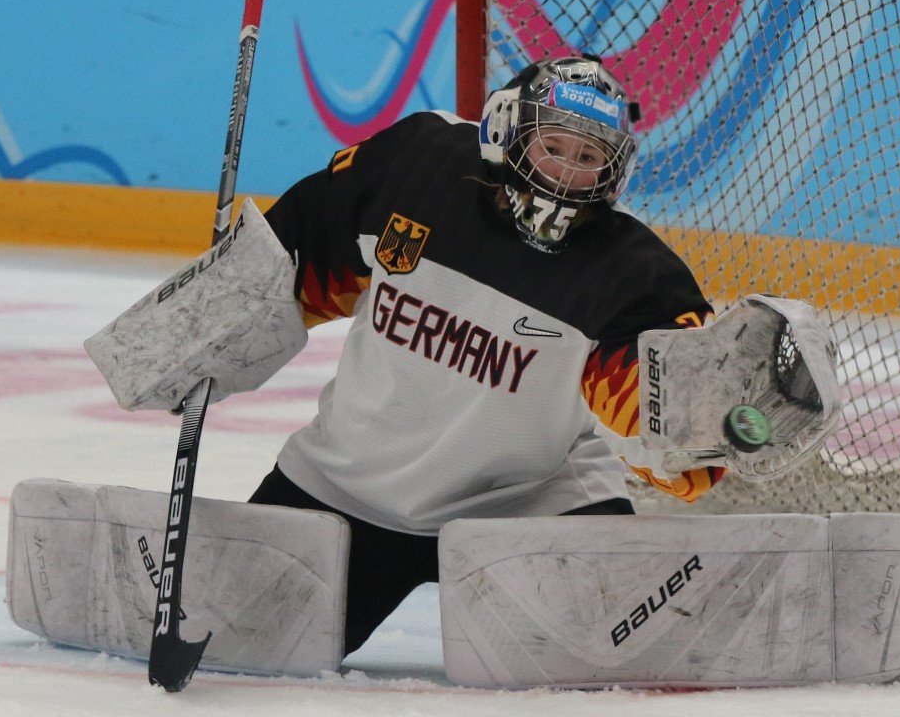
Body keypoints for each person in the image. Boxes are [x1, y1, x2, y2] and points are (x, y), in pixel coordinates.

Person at [246, 55, 725, 655]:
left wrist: (717, 419)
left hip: (530, 506)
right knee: (241, 643)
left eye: (588, 159)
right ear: (505, 132)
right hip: (348, 486)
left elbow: (672, 439)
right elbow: (292, 259)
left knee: (612, 668)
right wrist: (221, 308)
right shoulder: (413, 168)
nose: (567, 173)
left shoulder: (635, 275)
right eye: (553, 146)